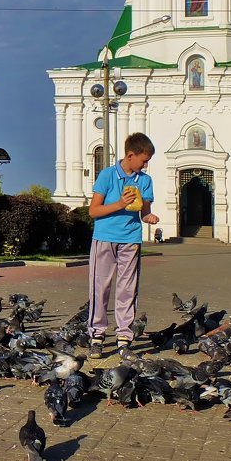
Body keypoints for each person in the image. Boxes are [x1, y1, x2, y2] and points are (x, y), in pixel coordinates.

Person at [87, 132, 159, 359]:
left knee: (128, 289)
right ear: (130, 155)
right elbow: (93, 211)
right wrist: (119, 204)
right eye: (143, 160)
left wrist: (149, 218)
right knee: (101, 288)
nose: (146, 165)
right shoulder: (107, 175)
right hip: (105, 238)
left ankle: (124, 338)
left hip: (131, 239)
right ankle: (97, 336)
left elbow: (144, 212)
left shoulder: (145, 181)